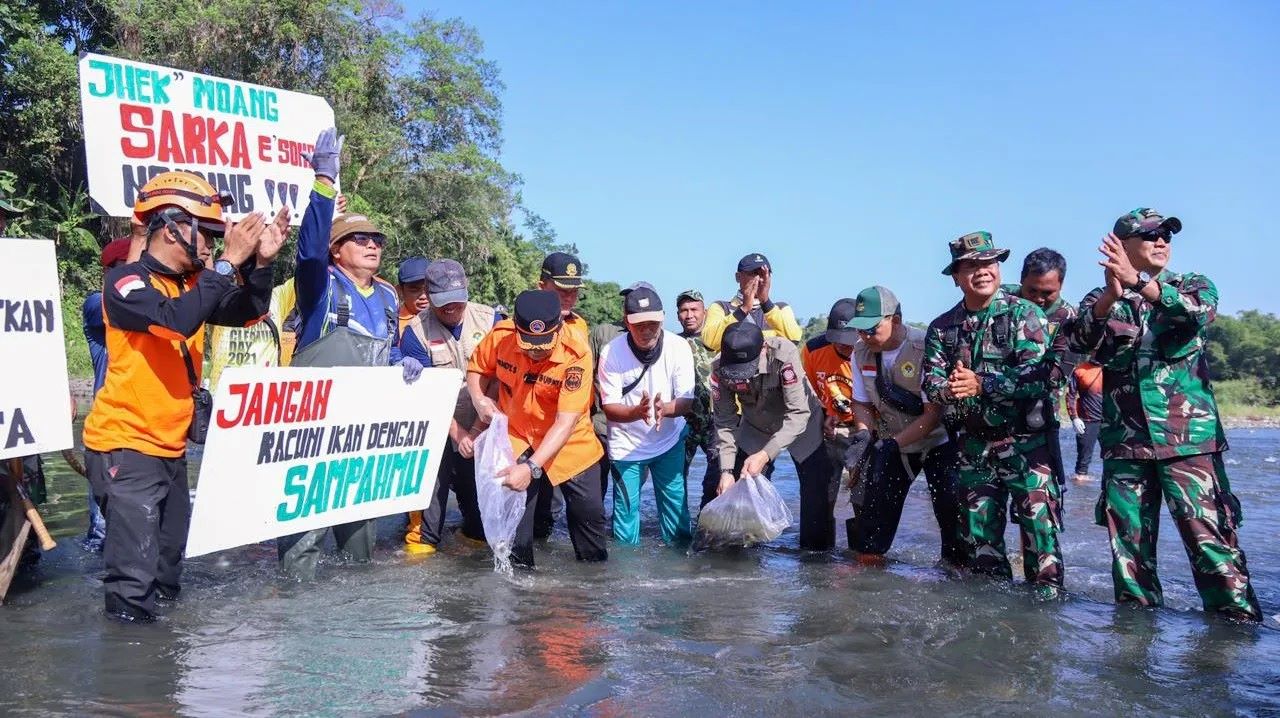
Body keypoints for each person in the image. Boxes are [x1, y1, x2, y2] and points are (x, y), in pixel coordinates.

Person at [82, 170, 283, 621]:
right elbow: (175, 321)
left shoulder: (190, 286)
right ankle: (131, 679)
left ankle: (164, 675)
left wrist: (262, 265)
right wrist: (227, 266)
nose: (214, 243)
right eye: (208, 233)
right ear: (172, 229)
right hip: (126, 446)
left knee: (168, 573)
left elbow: (247, 310)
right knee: (133, 587)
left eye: (217, 236)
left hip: (169, 450)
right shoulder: (126, 284)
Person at [1067, 208, 1260, 621]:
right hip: (1126, 447)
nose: (1162, 243)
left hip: (1188, 443)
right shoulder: (1100, 300)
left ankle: (1237, 633)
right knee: (1129, 554)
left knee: (1212, 542)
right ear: (1121, 245)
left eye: (1167, 236)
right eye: (1151, 236)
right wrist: (1110, 296)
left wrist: (1140, 283)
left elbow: (1195, 314)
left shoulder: (1192, 285)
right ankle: (1134, 641)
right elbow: (1079, 343)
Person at [276, 127, 417, 580]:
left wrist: (401, 363)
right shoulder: (320, 287)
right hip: (311, 438)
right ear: (337, 251)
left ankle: (355, 624)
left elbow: (386, 352)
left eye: (377, 239)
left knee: (361, 551)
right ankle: (295, 620)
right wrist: (323, 182)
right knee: (303, 546)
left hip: (363, 439)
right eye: (360, 239)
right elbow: (309, 250)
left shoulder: (391, 297)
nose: (373, 244)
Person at [921, 231, 1064, 598]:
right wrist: (953, 388)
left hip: (1027, 446)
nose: (981, 271)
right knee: (981, 546)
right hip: (974, 448)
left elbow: (1039, 376)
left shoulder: (1026, 314)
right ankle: (991, 632)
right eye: (970, 266)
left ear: (998, 268)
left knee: (1041, 543)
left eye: (988, 263)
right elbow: (930, 384)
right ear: (956, 276)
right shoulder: (942, 327)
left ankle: (1044, 624)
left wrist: (982, 384)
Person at [467, 290, 607, 567]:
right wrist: (479, 400)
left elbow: (565, 421)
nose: (536, 350)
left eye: (544, 344)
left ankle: (590, 593)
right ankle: (522, 592)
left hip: (569, 443)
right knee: (515, 530)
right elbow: (477, 369)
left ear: (559, 328)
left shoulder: (576, 352)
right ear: (516, 330)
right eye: (529, 343)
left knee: (589, 521)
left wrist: (531, 468)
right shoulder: (500, 336)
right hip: (517, 436)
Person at [839, 286, 965, 566]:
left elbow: (933, 414)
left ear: (894, 320)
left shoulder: (925, 346)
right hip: (890, 441)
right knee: (874, 515)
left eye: (871, 329)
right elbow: (860, 402)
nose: (864, 336)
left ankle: (953, 572)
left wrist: (892, 445)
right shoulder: (860, 353)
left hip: (937, 441)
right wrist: (863, 433)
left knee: (951, 513)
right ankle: (869, 573)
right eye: (860, 330)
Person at [400, 259, 498, 554]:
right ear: (428, 297)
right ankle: (423, 548)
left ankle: (472, 538)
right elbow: (428, 397)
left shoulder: (492, 321)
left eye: (458, 301)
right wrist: (459, 435)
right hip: (438, 426)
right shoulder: (415, 332)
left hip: (485, 421)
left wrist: (477, 429)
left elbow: (501, 380)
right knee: (431, 503)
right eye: (444, 303)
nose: (452, 308)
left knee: (479, 517)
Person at [711, 322, 837, 550]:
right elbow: (725, 422)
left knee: (816, 496)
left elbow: (798, 412)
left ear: (762, 350)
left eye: (747, 370)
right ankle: (747, 562)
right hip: (756, 427)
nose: (743, 379)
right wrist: (726, 471)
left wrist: (766, 454)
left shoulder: (783, 355)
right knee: (744, 498)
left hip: (801, 425)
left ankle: (816, 563)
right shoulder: (719, 369)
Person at [598, 285, 696, 545]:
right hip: (626, 446)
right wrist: (638, 412)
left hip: (669, 440)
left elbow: (686, 400)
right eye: (638, 324)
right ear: (626, 322)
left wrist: (666, 408)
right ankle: (625, 574)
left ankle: (681, 568)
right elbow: (609, 408)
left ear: (662, 319)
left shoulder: (679, 347)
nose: (646, 330)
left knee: (676, 513)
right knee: (626, 515)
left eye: (652, 323)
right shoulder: (611, 352)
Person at [77, 236, 137, 553]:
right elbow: (121, 305)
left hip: (142, 430)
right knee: (103, 530)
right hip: (110, 433)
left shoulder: (149, 307)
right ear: (113, 270)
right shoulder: (96, 304)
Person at [1005, 248, 1078, 492]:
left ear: (1061, 285)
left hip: (1038, 420)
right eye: (1031, 290)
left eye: (1047, 293)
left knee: (1039, 506)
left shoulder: (1068, 318)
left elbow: (1056, 375)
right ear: (1021, 280)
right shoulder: (1001, 300)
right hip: (991, 420)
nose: (1037, 299)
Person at [800, 299, 860, 516]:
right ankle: (821, 546)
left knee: (863, 498)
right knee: (822, 498)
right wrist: (827, 413)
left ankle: (861, 548)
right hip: (829, 430)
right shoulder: (813, 350)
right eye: (838, 339)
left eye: (849, 340)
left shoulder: (869, 351)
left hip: (864, 429)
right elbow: (810, 391)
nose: (844, 345)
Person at [701, 253, 803, 351]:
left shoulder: (781, 309)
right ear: (738, 277)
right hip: (734, 368)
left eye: (764, 274)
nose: (759, 279)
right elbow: (710, 343)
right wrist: (743, 309)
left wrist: (765, 303)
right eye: (753, 273)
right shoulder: (721, 308)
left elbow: (794, 339)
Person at [675, 289, 718, 507]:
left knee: (719, 474)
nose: (689, 315)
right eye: (684, 310)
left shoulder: (717, 340)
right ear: (677, 315)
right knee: (675, 477)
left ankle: (708, 523)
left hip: (715, 422)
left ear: (705, 312)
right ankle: (678, 528)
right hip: (684, 422)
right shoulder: (672, 344)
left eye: (694, 309)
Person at [539, 251, 590, 348]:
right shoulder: (519, 324)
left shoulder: (579, 325)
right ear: (542, 287)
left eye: (574, 291)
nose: (569, 298)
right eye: (562, 291)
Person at [1065, 360, 1103, 481]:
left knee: (1114, 458)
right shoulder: (1080, 370)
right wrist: (1074, 418)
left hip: (1111, 421)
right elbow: (1070, 395)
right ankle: (1080, 492)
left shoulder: (1113, 368)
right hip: (1087, 421)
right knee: (1082, 465)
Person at [396, 256, 430, 334]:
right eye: (414, 290)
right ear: (400, 290)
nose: (423, 296)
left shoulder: (446, 317)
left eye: (427, 288)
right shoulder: (393, 325)